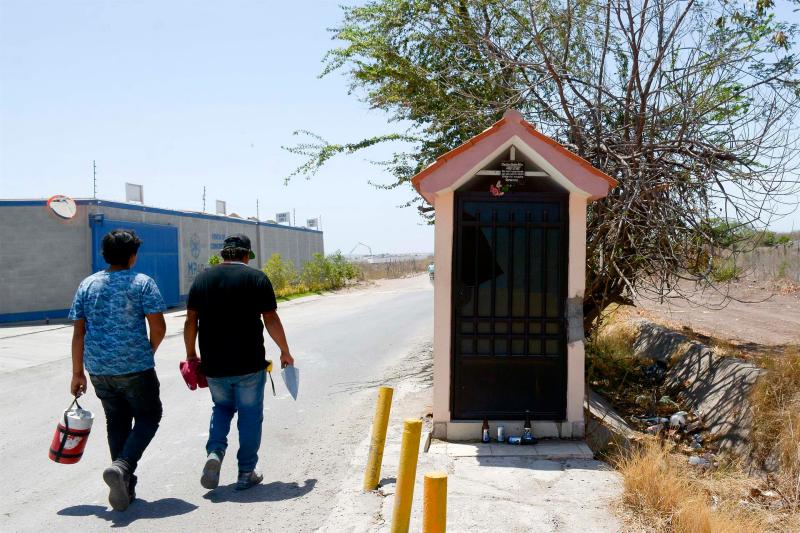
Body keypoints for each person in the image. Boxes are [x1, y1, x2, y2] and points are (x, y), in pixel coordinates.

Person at [184, 234, 294, 491]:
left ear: (224, 254)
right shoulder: (257, 279)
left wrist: (191, 354)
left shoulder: (201, 279)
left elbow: (191, 322)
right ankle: (246, 472)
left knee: (221, 408)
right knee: (250, 415)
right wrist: (285, 351)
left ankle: (214, 453)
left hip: (214, 364)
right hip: (249, 364)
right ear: (246, 255)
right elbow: (271, 319)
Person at [69, 229, 167, 511]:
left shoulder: (88, 285)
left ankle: (125, 483)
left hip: (99, 369)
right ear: (133, 256)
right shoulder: (142, 283)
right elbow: (158, 327)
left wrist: (77, 373)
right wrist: (147, 351)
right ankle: (122, 467)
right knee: (150, 415)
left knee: (117, 421)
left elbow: (78, 333)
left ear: (104, 255)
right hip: (135, 365)